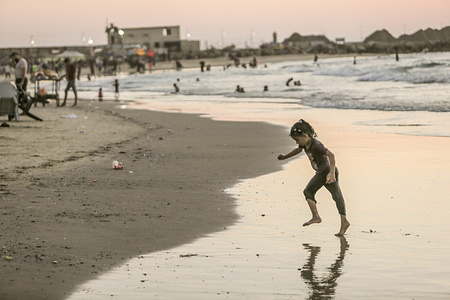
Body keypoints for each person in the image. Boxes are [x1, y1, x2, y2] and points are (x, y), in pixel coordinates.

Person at [277, 119, 350, 236]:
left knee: (309, 191)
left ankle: (316, 217)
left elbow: (331, 155)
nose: (297, 142)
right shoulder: (305, 143)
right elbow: (298, 150)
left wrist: (331, 173)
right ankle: (344, 222)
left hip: (326, 171)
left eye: (297, 139)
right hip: (322, 171)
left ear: (305, 136)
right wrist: (285, 157)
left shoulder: (317, 145)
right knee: (336, 195)